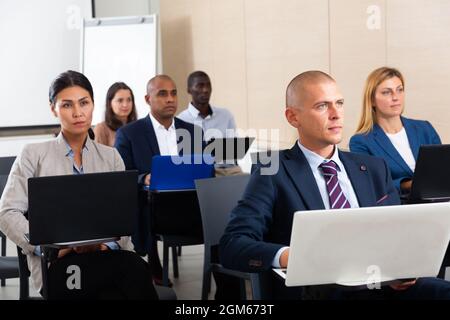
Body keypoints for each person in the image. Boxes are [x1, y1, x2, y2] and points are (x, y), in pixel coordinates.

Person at [219, 70, 450, 300]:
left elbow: (398, 234)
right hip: (322, 291)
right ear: (293, 117)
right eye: (322, 106)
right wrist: (292, 256)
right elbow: (233, 245)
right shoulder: (273, 171)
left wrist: (403, 266)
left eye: (339, 103)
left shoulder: (373, 167)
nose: (336, 114)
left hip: (382, 284)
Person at [0, 70, 157, 300]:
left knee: (135, 269)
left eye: (84, 103)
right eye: (67, 105)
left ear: (93, 104)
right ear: (53, 108)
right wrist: (47, 248)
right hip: (59, 263)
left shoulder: (110, 157)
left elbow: (123, 220)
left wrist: (105, 246)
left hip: (107, 256)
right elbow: (6, 212)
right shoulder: (33, 154)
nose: (77, 113)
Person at [114, 74, 204, 286]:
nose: (170, 99)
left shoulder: (193, 132)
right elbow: (124, 176)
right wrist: (144, 178)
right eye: (162, 94)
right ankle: (152, 263)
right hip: (153, 205)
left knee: (224, 217)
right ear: (147, 99)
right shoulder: (129, 134)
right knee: (142, 204)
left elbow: (204, 170)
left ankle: (226, 289)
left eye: (173, 93)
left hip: (192, 205)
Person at [349, 67, 441, 194]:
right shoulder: (361, 141)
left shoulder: (424, 128)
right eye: (387, 92)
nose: (395, 97)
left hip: (437, 200)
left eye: (400, 90)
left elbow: (442, 169)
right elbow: (370, 183)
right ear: (372, 100)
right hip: (399, 206)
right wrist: (406, 185)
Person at [177, 71, 242, 176]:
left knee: (250, 183)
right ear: (189, 90)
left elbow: (234, 150)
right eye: (200, 86)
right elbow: (182, 157)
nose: (206, 90)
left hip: (229, 169)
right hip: (199, 172)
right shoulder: (181, 120)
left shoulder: (225, 115)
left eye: (208, 85)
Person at [94, 82, 138, 147]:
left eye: (129, 100)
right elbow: (99, 156)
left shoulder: (138, 126)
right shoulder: (101, 129)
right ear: (110, 103)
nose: (125, 105)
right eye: (120, 100)